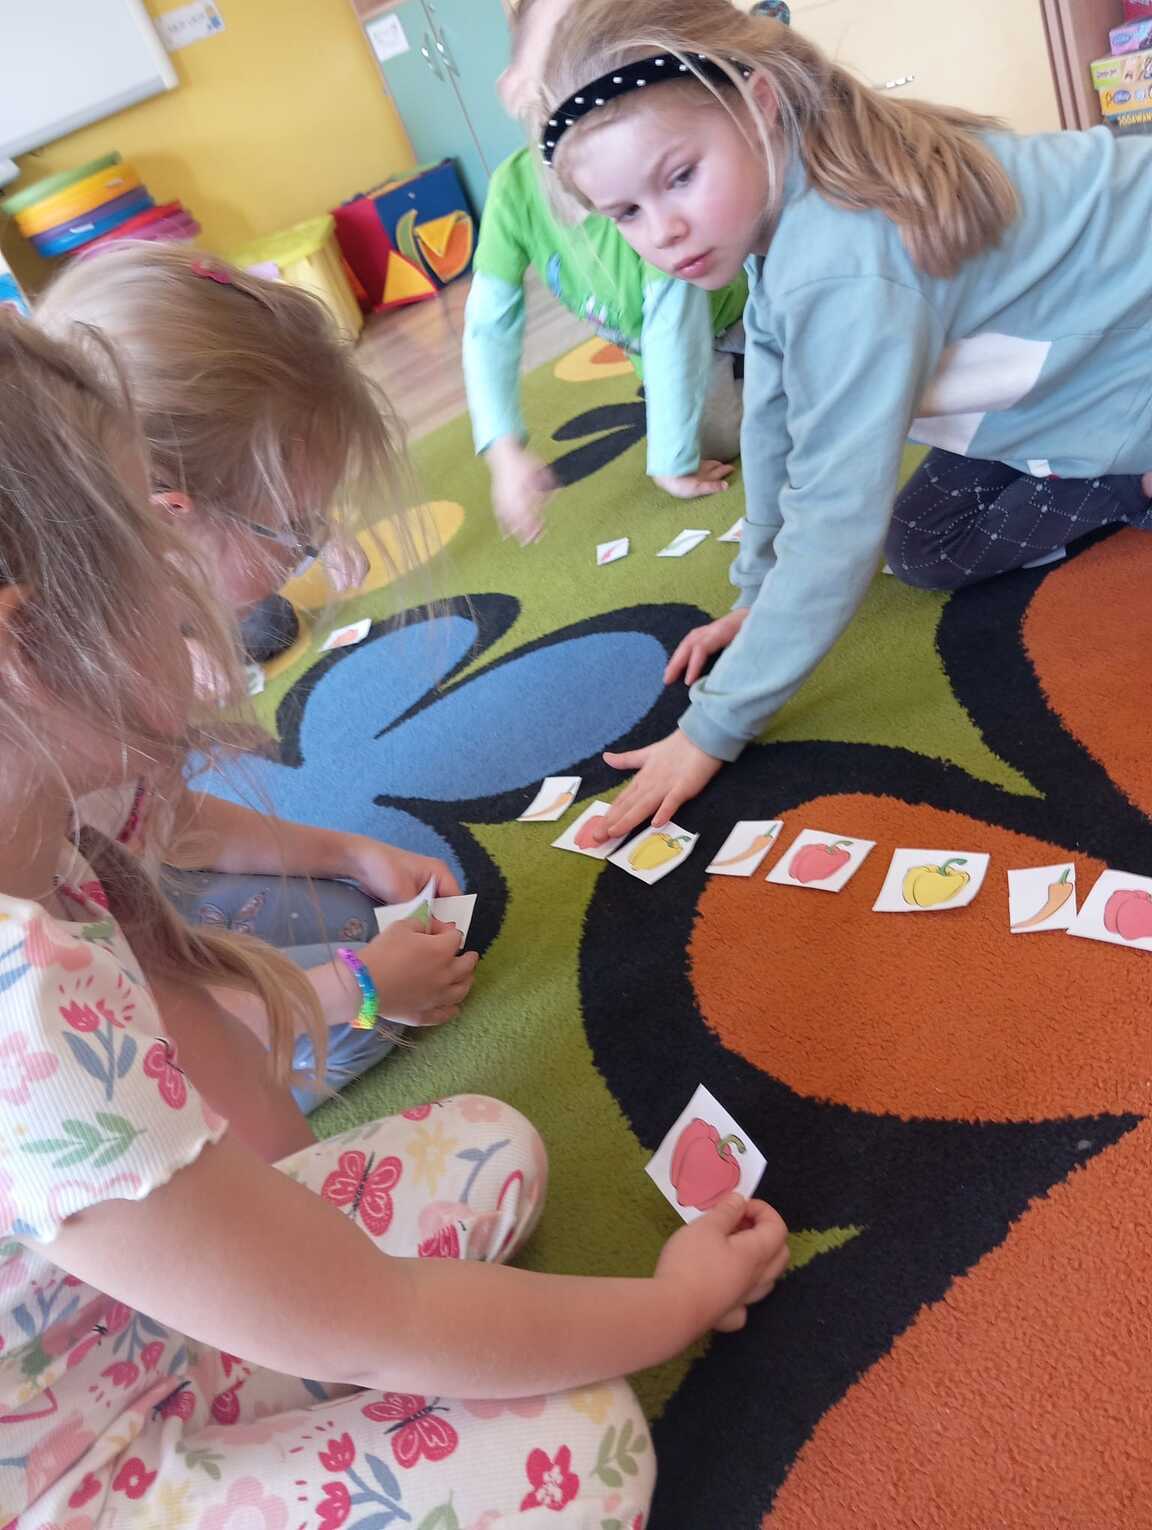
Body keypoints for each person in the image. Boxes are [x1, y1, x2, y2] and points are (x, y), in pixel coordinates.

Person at [0, 309, 790, 1527]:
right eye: (151, 560)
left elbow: (223, 1080)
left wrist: (286, 1245)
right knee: (586, 1447)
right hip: (82, 1469)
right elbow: (376, 1318)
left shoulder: (43, 814)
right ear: (23, 643)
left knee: (490, 1145)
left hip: (139, 1320)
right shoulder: (29, 1002)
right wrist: (675, 1303)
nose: (203, 611)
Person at [537, 0, 1152, 842]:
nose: (664, 231)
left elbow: (834, 521)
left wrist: (712, 727)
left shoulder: (841, 258)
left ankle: (1133, 473)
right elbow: (774, 414)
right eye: (626, 214)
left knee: (878, 540)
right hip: (1074, 369)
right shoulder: (788, 200)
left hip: (1127, 355)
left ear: (760, 104)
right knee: (921, 546)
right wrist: (757, 595)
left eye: (679, 178)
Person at [36, 243, 477, 1110]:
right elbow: (115, 1028)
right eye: (297, 526)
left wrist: (349, 851)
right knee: (367, 1020)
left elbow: (158, 817)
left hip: (103, 908)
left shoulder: (108, 648)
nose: (307, 551)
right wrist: (357, 989)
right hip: (63, 1067)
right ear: (169, 515)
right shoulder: (58, 733)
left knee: (354, 921)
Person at [463, 0, 748, 544]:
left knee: (737, 431)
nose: (576, 73)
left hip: (732, 312)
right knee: (709, 434)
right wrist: (503, 451)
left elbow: (674, 318)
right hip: (667, 348)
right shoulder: (513, 192)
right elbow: (487, 326)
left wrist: (671, 460)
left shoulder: (637, 163)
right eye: (556, 54)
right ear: (513, 86)